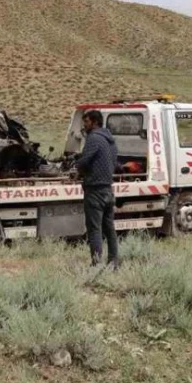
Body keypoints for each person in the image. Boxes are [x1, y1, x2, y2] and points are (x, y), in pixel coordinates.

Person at [74, 110, 120, 269]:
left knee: (94, 230)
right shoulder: (110, 140)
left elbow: (84, 161)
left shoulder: (93, 138)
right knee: (110, 229)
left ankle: (96, 265)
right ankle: (114, 262)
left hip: (95, 191)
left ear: (94, 122)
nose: (84, 126)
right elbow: (115, 162)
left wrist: (77, 170)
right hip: (108, 189)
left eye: (86, 122)